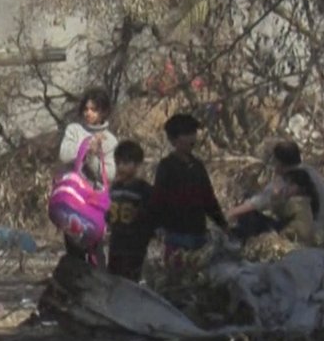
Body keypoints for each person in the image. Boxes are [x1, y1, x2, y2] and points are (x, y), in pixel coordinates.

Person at [148, 113, 228, 265]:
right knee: (176, 278)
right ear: (173, 140)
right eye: (186, 134)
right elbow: (158, 198)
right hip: (176, 234)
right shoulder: (166, 166)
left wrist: (222, 223)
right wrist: (156, 226)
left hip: (199, 233)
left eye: (193, 133)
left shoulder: (198, 166)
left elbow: (208, 198)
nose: (192, 138)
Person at [57, 86, 117, 266]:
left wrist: (93, 157)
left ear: (104, 111)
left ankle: (96, 285)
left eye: (94, 109)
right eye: (86, 109)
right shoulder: (74, 130)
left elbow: (110, 173)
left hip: (94, 201)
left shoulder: (110, 140)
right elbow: (64, 154)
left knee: (95, 248)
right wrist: (86, 147)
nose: (88, 113)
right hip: (74, 200)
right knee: (74, 247)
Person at [227, 141, 324, 243]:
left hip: (303, 233)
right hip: (318, 229)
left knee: (249, 211)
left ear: (280, 163)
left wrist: (229, 214)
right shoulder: (312, 172)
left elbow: (257, 202)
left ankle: (238, 240)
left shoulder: (287, 181)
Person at [105, 140, 154, 282]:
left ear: (137, 165)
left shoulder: (144, 190)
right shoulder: (114, 189)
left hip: (135, 247)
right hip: (116, 244)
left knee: (131, 281)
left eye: (126, 163)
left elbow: (151, 217)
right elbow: (108, 214)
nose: (121, 167)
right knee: (113, 280)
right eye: (118, 163)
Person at [276, 168, 321, 246]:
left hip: (295, 234)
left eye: (291, 185)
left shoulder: (296, 202)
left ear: (301, 187)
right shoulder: (307, 201)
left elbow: (279, 211)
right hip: (305, 237)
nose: (286, 188)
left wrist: (275, 197)